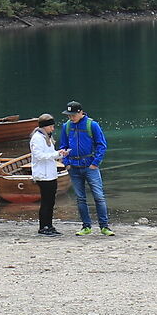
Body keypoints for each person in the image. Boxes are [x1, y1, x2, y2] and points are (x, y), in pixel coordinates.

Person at [58, 100, 111, 235]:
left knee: (99, 197)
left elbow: (101, 145)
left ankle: (104, 226)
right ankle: (86, 226)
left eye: (73, 115)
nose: (71, 118)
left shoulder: (92, 125)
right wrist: (66, 163)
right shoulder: (66, 126)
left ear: (80, 113)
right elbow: (63, 146)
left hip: (90, 166)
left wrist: (95, 163)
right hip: (74, 167)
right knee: (80, 198)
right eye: (68, 115)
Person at [26, 114, 63, 236]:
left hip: (50, 174)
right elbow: (39, 156)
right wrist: (55, 154)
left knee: (51, 201)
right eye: (51, 126)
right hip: (43, 175)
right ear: (45, 126)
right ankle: (43, 227)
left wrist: (61, 154)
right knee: (46, 201)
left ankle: (50, 225)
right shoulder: (37, 138)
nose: (53, 129)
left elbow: (50, 153)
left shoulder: (47, 137)